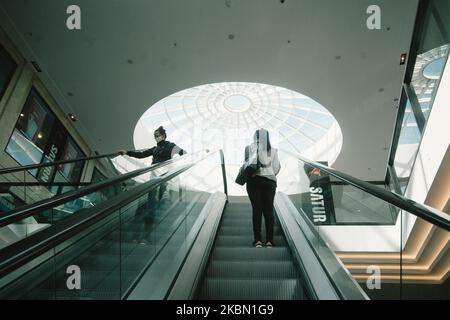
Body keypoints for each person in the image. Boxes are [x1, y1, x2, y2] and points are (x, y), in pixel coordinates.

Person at [118, 126, 186, 244]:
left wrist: (176, 164)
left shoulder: (171, 145)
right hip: (154, 175)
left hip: (165, 176)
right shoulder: (154, 149)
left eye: (158, 135)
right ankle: (143, 234)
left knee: (158, 200)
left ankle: (149, 232)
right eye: (155, 136)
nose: (156, 137)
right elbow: (141, 154)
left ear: (164, 135)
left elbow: (183, 153)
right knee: (151, 201)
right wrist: (127, 152)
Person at [244, 129, 280, 248]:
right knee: (269, 211)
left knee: (257, 210)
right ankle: (269, 241)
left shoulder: (250, 148)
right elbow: (276, 168)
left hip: (254, 180)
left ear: (256, 137)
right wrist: (268, 172)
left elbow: (246, 165)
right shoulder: (273, 150)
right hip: (269, 181)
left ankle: (257, 240)